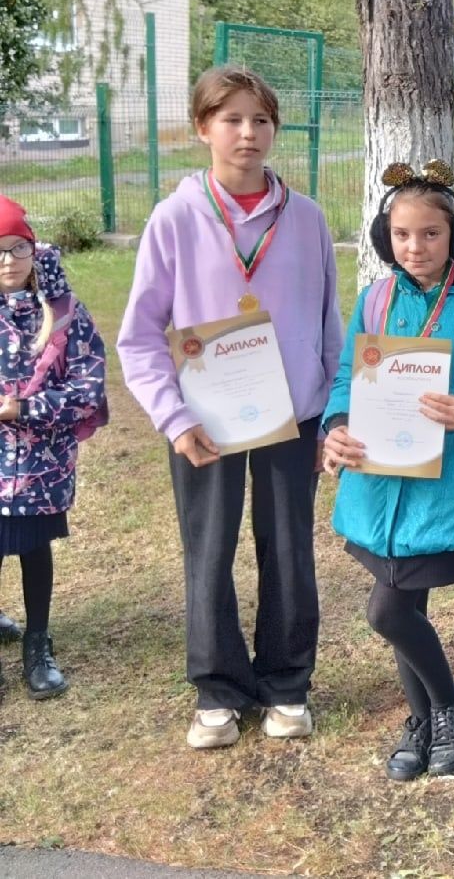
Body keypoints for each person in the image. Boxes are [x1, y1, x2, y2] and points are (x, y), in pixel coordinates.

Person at [117, 64, 342, 749]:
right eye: (232, 119)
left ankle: (286, 685)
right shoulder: (175, 218)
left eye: (261, 120)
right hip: (204, 423)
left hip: (290, 417)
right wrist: (173, 418)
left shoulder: (305, 219)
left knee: (289, 553)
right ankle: (217, 689)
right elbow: (138, 336)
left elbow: (331, 326)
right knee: (208, 553)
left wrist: (329, 411)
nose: (248, 133)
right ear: (203, 129)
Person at [321, 162, 454, 781]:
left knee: (388, 611)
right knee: (406, 606)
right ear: (387, 238)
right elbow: (343, 379)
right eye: (403, 235)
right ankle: (426, 715)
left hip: (441, 486)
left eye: (431, 234)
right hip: (377, 487)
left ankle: (452, 706)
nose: (416, 247)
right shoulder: (375, 300)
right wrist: (335, 427)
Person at [0, 197, 108, 700]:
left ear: (33, 248)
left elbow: (88, 386)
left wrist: (26, 410)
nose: (7, 260)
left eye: (17, 247)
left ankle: (38, 644)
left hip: (41, 466)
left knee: (32, 548)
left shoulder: (63, 313)